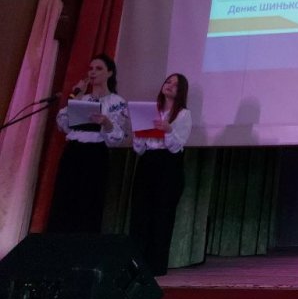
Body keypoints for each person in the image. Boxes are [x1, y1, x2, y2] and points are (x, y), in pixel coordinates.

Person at [48, 54, 129, 233]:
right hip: (73, 151)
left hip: (95, 154)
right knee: (65, 197)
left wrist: (106, 123)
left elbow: (118, 137)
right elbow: (63, 124)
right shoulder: (82, 98)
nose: (93, 72)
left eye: (98, 69)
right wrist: (76, 96)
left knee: (89, 200)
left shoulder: (117, 102)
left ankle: (83, 243)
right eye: (91, 69)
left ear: (110, 73)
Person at [129, 73, 193, 276]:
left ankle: (156, 265)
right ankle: (136, 263)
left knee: (162, 215)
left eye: (175, 84)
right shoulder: (151, 111)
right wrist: (139, 132)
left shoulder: (183, 114)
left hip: (169, 166)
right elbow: (139, 149)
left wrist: (167, 130)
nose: (170, 85)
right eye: (168, 81)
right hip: (148, 162)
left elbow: (176, 146)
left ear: (181, 91)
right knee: (140, 213)